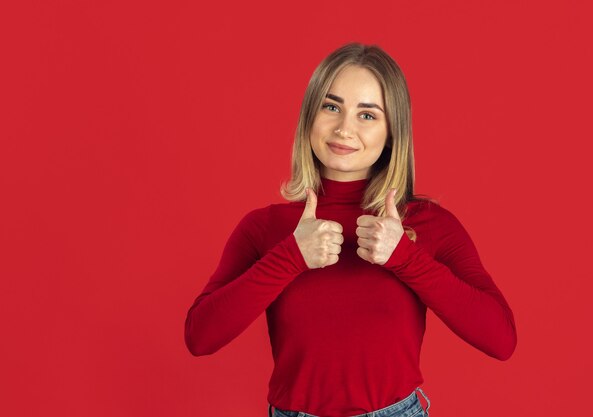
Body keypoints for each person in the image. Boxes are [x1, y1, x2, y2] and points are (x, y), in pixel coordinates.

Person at [184, 42, 517, 417]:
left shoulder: (428, 225)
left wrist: (405, 259)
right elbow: (200, 336)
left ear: (392, 133)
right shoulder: (265, 227)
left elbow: (501, 339)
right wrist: (291, 256)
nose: (344, 129)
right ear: (310, 115)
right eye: (331, 107)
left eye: (368, 115)